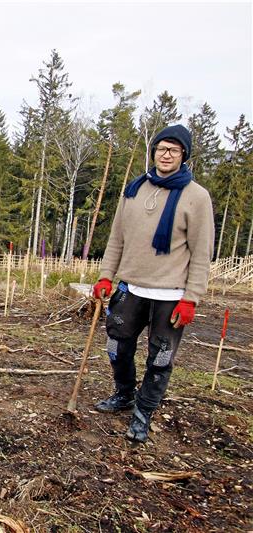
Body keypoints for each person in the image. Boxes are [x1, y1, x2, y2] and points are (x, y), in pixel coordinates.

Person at [93, 124, 214, 443]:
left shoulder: (196, 197)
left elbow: (202, 253)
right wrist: (106, 275)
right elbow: (116, 239)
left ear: (183, 155)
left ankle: (143, 413)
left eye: (174, 149)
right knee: (116, 346)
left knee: (159, 359)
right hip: (130, 288)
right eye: (162, 148)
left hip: (171, 295)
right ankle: (124, 394)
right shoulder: (134, 190)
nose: (166, 154)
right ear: (154, 152)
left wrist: (192, 298)